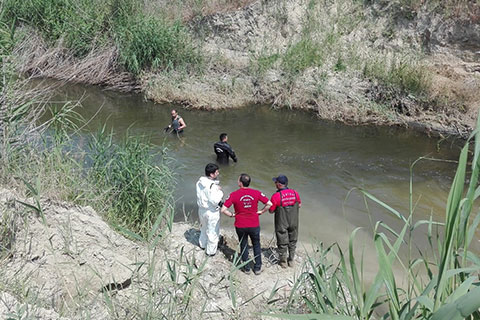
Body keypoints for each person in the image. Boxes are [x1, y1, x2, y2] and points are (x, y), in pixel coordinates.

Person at [221, 174, 272, 275]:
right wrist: (261, 212)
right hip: (254, 224)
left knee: (243, 245)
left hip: (240, 225)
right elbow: (269, 204)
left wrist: (232, 215)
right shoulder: (256, 193)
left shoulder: (234, 194)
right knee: (256, 244)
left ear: (240, 183)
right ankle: (257, 268)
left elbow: (223, 209)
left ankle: (247, 268)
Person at [269, 174, 301, 268]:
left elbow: (271, 211)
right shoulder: (295, 193)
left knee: (282, 241)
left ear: (279, 184)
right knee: (293, 240)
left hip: (282, 222)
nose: (275, 183)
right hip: (294, 222)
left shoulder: (276, 196)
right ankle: (291, 260)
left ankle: (283, 262)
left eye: (276, 182)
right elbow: (299, 205)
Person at [196, 163, 224, 256]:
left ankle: (202, 244)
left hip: (201, 210)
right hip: (211, 211)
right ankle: (210, 252)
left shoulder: (199, 182)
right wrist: (219, 191)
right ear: (212, 174)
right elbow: (215, 201)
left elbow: (206, 192)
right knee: (213, 231)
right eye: (216, 172)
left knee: (204, 228)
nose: (218, 173)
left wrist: (215, 186)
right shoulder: (212, 186)